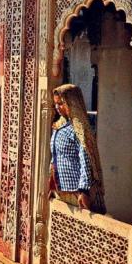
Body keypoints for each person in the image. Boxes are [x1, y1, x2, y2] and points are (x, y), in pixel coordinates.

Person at [48, 84, 106, 213]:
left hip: (76, 193)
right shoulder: (59, 126)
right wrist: (51, 182)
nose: (57, 107)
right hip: (60, 190)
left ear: (72, 103)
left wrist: (83, 191)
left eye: (61, 103)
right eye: (56, 104)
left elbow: (85, 161)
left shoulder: (79, 129)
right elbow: (55, 157)